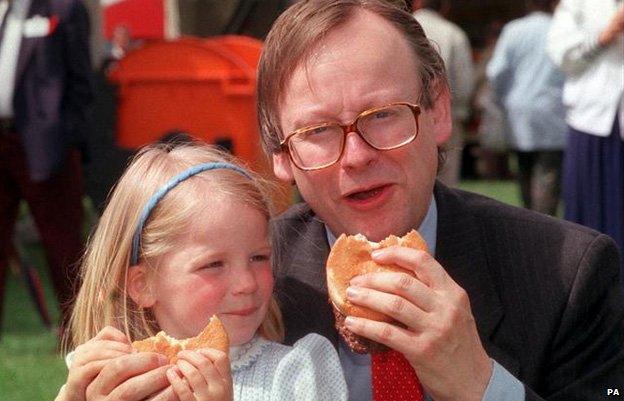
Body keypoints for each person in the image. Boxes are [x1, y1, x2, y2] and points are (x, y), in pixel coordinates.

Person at [72, 1, 624, 401]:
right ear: (280, 156)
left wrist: (481, 386)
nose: (355, 156)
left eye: (382, 115)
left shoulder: (570, 273)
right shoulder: (251, 284)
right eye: (316, 131)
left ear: (436, 111)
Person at [55, 142, 347, 401]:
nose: (246, 283)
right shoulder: (113, 380)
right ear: (144, 285)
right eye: (214, 264)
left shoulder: (297, 374)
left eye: (259, 257)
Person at [0, 0, 93, 334]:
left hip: (46, 145)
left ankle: (78, 330)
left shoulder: (65, 8)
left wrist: (66, 137)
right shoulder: (9, 11)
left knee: (63, 244)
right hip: (4, 140)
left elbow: (82, 81)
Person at [547, 0, 624, 275]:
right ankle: (589, 282)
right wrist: (606, 34)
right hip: (591, 119)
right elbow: (560, 55)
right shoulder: (578, 3)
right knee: (588, 211)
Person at [486, 0, 567, 216]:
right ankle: (544, 225)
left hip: (519, 112)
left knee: (524, 169)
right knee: (548, 173)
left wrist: (503, 99)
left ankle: (531, 220)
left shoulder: (514, 30)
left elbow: (496, 72)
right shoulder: (561, 27)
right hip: (555, 112)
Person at [412, 0, 474, 187]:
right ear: (445, 6)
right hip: (447, 113)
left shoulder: (395, 28)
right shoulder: (453, 33)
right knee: (446, 182)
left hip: (404, 118)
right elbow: (465, 83)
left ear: (416, 4)